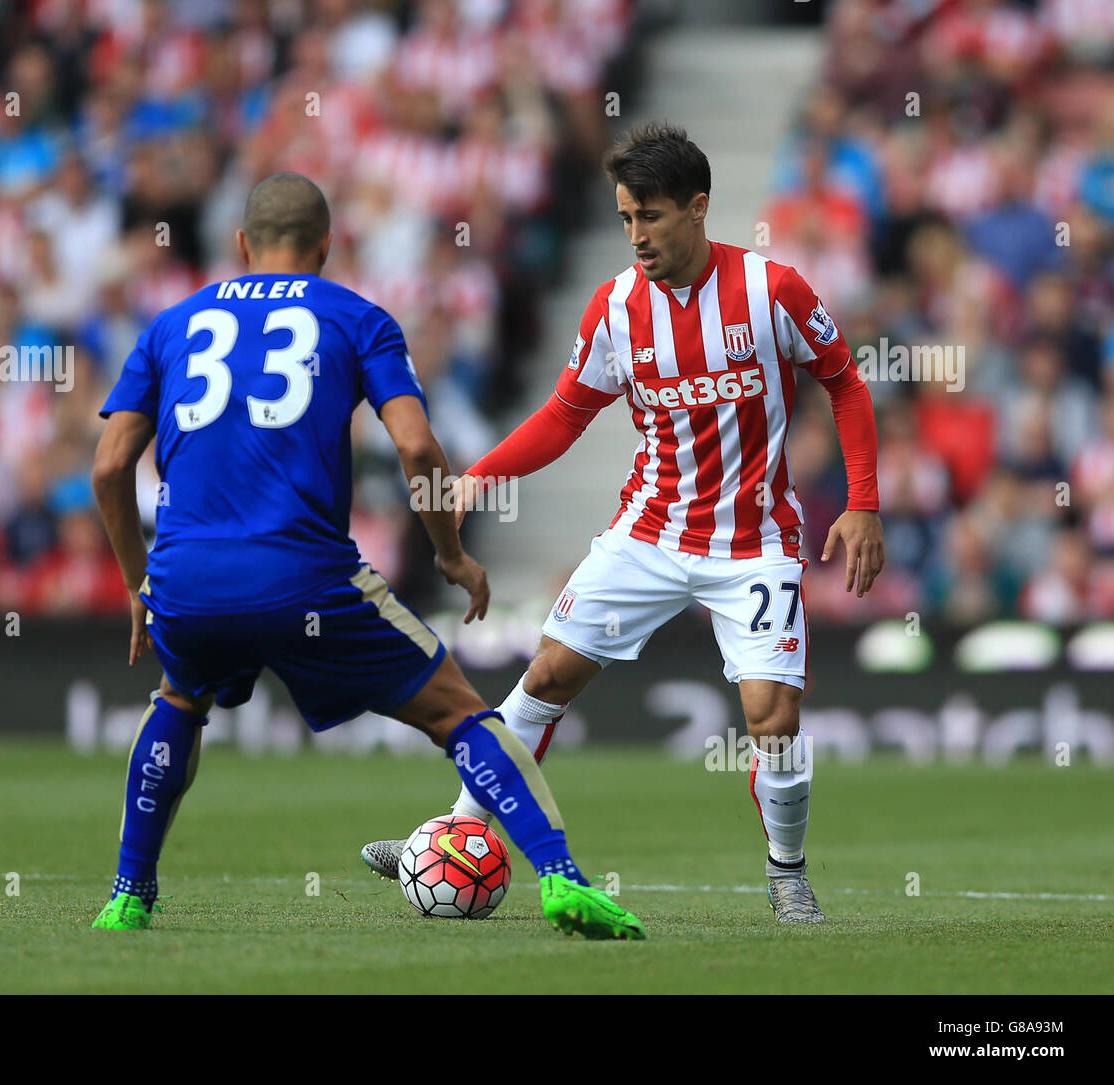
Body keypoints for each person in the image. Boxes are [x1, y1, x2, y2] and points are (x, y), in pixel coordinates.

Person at [89, 172, 643, 940]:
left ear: (242, 244)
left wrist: (136, 582)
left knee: (181, 697)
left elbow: (110, 467)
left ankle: (128, 895)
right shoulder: (358, 318)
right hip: (304, 574)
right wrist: (449, 552)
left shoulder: (171, 323)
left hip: (188, 574)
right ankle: (561, 877)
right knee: (457, 709)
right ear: (325, 246)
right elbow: (416, 444)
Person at [361, 124, 885, 924]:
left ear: (698, 208)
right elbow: (565, 415)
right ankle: (458, 831)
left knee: (772, 719)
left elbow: (845, 385)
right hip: (647, 531)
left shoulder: (772, 291)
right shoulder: (615, 307)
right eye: (624, 217)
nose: (636, 234)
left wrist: (863, 501)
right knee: (546, 678)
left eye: (651, 216)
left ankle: (787, 873)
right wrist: (476, 479)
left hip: (754, 543)